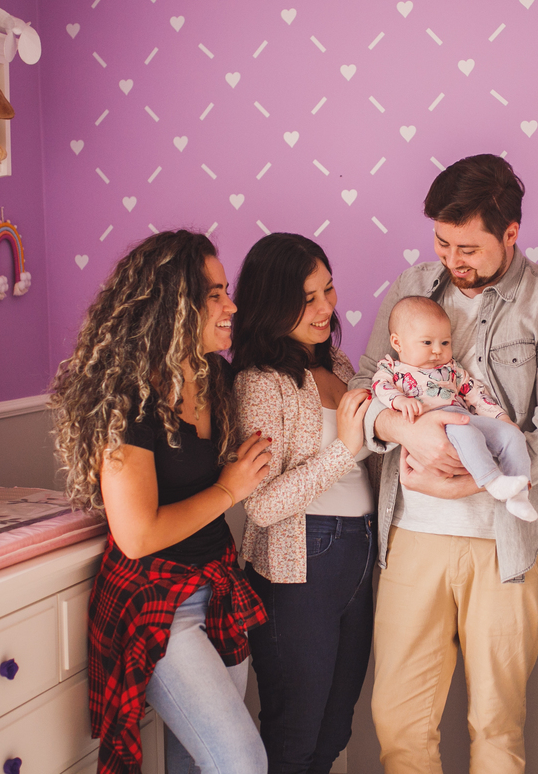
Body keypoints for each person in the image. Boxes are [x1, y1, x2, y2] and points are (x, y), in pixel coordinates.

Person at [350, 153, 538, 773]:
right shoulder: (409, 290)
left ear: (511, 234)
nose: (453, 261)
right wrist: (406, 431)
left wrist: (472, 483)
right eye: (442, 242)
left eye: (469, 247)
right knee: (398, 720)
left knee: (496, 724)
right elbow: (362, 389)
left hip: (508, 540)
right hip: (412, 533)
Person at [50, 230, 272, 774]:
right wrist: (229, 489)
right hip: (160, 606)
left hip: (216, 585)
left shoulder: (213, 375)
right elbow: (137, 535)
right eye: (215, 294)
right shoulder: (128, 398)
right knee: (243, 763)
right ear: (175, 306)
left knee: (195, 765)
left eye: (228, 291)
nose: (231, 306)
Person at [230, 233, 377, 774]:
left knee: (336, 728)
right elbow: (262, 506)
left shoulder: (334, 360)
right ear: (273, 303)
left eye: (329, 290)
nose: (326, 308)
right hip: (300, 563)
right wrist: (345, 451)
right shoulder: (260, 382)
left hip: (358, 554)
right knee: (295, 733)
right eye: (308, 298)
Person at [372, 295, 536, 521]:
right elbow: (378, 386)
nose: (437, 351)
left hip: (463, 417)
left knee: (512, 436)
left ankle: (519, 496)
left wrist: (501, 417)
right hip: (436, 426)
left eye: (445, 343)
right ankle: (493, 482)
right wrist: (399, 401)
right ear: (397, 343)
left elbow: (475, 394)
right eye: (427, 343)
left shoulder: (452, 369)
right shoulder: (393, 369)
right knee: (468, 434)